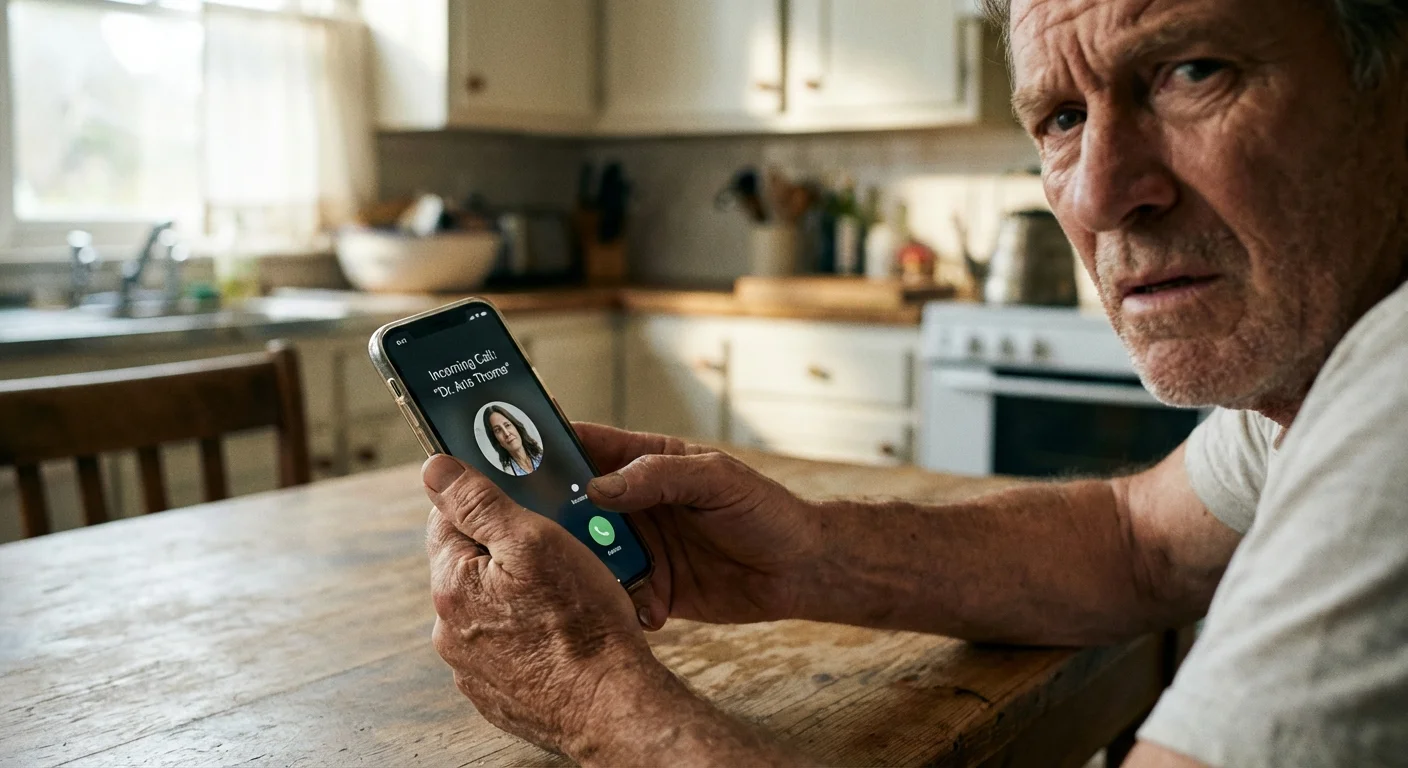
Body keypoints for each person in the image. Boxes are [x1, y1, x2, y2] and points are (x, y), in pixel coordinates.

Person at [419, 0, 1408, 764]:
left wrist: (596, 698)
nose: (1101, 191)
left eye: (1194, 70)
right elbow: (1139, 543)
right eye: (1061, 117)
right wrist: (803, 553)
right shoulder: (1338, 353)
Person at [481, 404, 542, 476]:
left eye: (507, 425)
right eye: (498, 430)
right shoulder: (504, 474)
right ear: (496, 440)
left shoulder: (541, 454)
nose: (506, 434)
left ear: (516, 427)